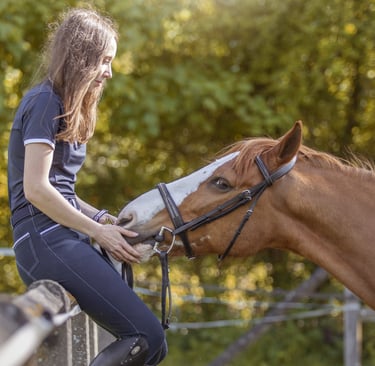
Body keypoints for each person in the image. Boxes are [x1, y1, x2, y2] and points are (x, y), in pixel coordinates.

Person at [7, 8, 167, 366]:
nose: (110, 71)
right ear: (82, 57)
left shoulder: (63, 105)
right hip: (44, 239)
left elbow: (61, 191)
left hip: (61, 237)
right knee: (145, 337)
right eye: (105, 60)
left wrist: (107, 220)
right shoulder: (45, 101)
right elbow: (35, 189)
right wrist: (98, 231)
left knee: (153, 343)